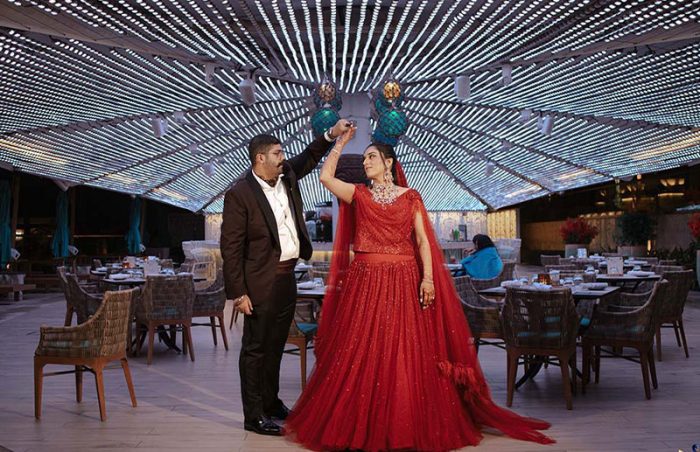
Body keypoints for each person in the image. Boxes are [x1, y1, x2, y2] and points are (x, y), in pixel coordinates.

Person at [284, 127, 554, 450]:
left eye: (372, 157)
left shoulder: (411, 197)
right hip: (365, 280)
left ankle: (402, 421)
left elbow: (424, 242)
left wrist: (427, 278)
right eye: (365, 158)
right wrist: (340, 142)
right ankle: (364, 421)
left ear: (388, 163)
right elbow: (325, 177)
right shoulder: (359, 194)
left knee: (402, 346)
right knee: (364, 345)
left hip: (403, 278)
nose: (366, 162)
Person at [220, 119, 352, 436]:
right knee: (255, 349)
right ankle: (254, 416)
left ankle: (271, 402)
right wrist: (239, 293)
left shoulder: (287, 174)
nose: (283, 157)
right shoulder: (240, 194)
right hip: (259, 283)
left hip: (287, 278)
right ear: (260, 158)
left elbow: (310, 155)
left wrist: (332, 134)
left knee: (276, 345)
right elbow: (231, 247)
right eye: (277, 153)